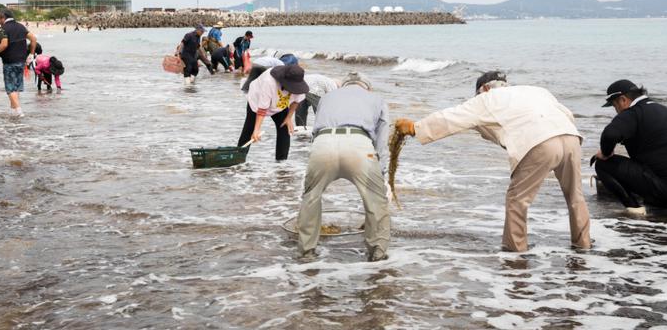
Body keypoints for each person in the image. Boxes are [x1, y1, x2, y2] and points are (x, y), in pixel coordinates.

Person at [394, 71, 590, 253]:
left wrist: (415, 128)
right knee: (575, 196)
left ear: (485, 88)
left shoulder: (487, 98)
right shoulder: (536, 91)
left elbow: (452, 117)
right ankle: (583, 245)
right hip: (571, 137)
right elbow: (567, 114)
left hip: (538, 142)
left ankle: (516, 253)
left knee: (517, 200)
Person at [297, 72, 391, 261]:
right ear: (367, 87)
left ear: (344, 86)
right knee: (375, 201)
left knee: (311, 197)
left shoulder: (326, 97)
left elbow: (316, 130)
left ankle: (307, 253)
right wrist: (383, 174)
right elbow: (382, 140)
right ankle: (377, 255)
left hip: (323, 144)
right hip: (359, 145)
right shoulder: (377, 98)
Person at [592, 80, 667, 216]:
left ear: (623, 100)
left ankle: (635, 209)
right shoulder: (662, 109)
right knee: (655, 170)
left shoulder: (632, 113)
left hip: (666, 189)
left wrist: (606, 153)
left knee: (603, 164)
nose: (616, 112)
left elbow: (609, 135)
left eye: (615, 106)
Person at [237, 64, 308, 161]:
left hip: (279, 105)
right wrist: (257, 129)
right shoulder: (269, 81)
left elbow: (296, 101)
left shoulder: (298, 83)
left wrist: (288, 118)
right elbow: (262, 109)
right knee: (249, 130)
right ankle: (238, 159)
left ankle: (281, 164)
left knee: (284, 128)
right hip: (257, 101)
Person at [0, 9, 37, 116]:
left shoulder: (2, 29)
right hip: (22, 61)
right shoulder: (21, 26)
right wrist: (31, 54)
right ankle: (13, 110)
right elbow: (33, 39)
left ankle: (19, 111)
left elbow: (4, 44)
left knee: (10, 89)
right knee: (16, 87)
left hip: (9, 62)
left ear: (3, 17)